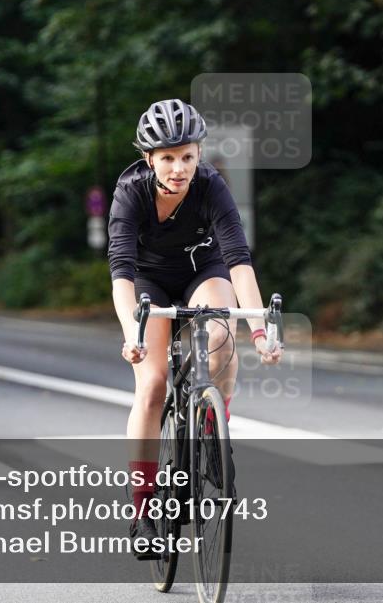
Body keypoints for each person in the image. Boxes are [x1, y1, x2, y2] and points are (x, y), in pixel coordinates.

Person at [108, 99, 281, 559]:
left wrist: (261, 332)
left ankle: (214, 424)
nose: (179, 168)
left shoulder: (211, 186)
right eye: (167, 158)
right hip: (148, 281)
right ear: (149, 159)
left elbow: (240, 264)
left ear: (199, 154)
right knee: (152, 386)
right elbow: (121, 273)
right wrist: (133, 334)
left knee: (222, 336)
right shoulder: (131, 192)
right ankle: (144, 510)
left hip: (202, 270)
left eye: (187, 156)